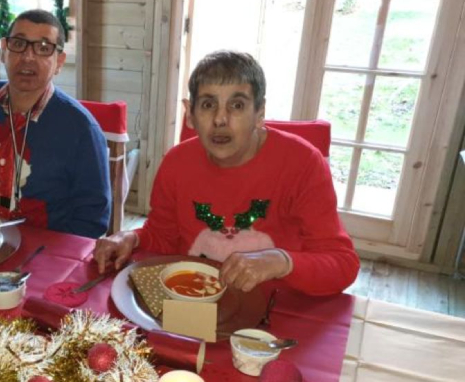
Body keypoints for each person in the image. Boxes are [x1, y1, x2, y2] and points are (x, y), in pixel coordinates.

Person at [94, 51, 359, 296]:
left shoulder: (303, 163)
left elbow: (342, 264)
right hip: (193, 300)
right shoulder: (176, 162)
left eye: (237, 105)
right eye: (208, 105)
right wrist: (132, 237)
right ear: (190, 114)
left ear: (260, 113)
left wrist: (280, 260)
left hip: (276, 307)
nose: (220, 119)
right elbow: (163, 236)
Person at [0, 10, 111, 239]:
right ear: (3, 51)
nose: (28, 57)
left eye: (43, 48)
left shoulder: (81, 129)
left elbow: (92, 219)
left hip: (40, 257)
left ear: (59, 62)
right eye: (19, 44)